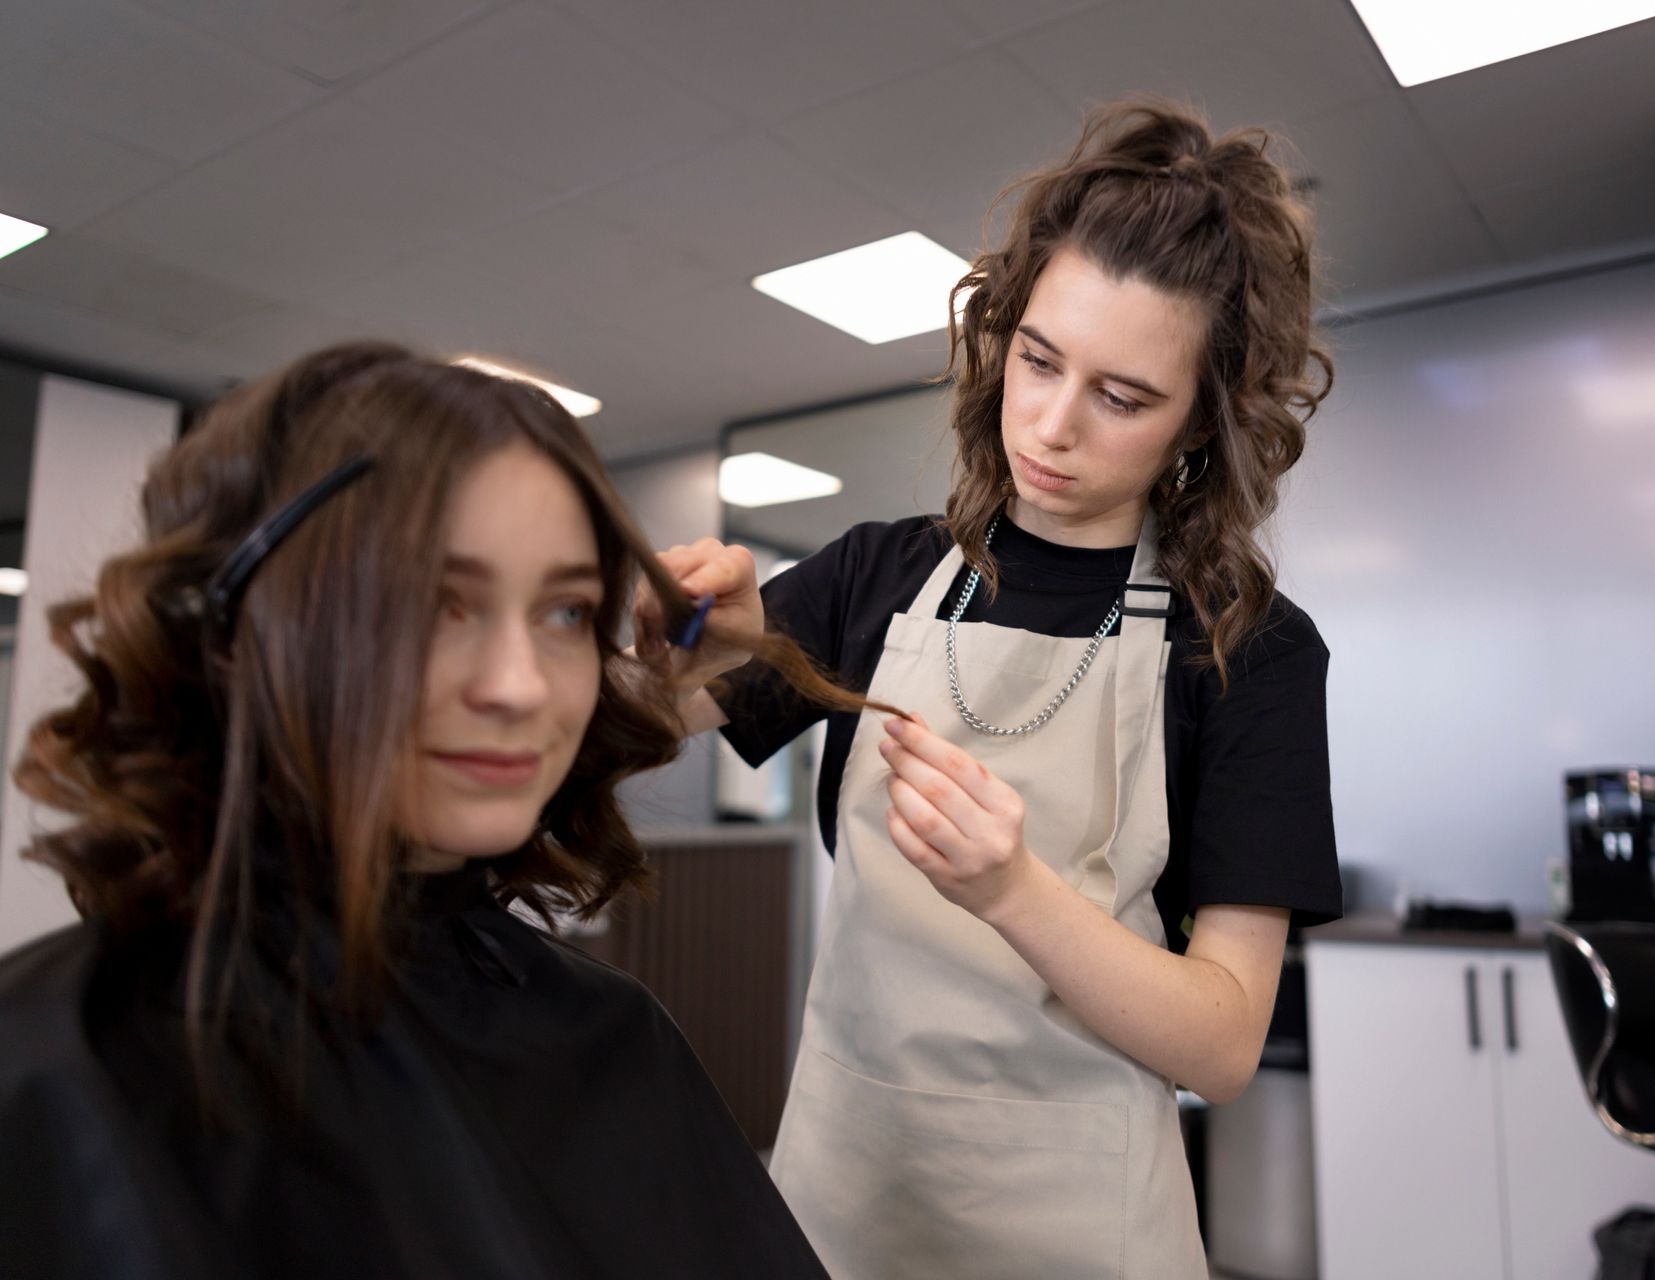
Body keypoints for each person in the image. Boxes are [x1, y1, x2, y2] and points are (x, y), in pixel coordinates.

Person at [653, 99, 1344, 1278]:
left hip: (1080, 1223)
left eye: (1122, 397)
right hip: (843, 1195)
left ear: (1198, 426)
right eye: (1037, 359)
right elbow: (631, 728)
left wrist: (1014, 889)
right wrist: (653, 637)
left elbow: (1226, 1042)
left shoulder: (1248, 650)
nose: (1052, 424)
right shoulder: (878, 575)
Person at [0, 342, 852, 1279]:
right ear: (237, 625)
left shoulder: (612, 1036)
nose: (522, 686)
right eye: (437, 605)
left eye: (566, 612)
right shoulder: (58, 1077)